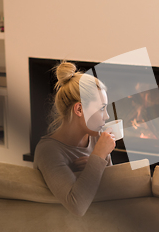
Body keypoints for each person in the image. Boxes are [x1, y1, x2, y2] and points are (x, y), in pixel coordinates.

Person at [33, 61, 116, 216]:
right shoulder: (48, 151)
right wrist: (98, 156)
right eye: (102, 108)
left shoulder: (97, 138)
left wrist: (96, 164)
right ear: (79, 109)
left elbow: (113, 194)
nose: (107, 116)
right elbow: (77, 206)